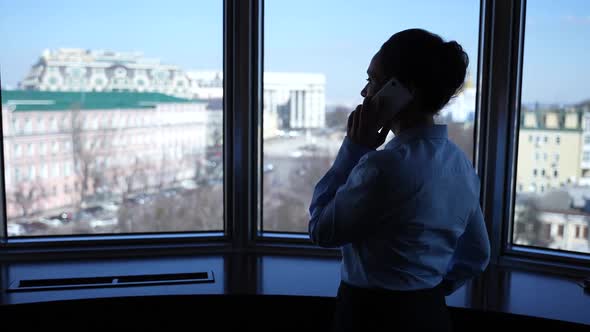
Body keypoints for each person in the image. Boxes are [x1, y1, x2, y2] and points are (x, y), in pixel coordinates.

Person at [308, 29, 491, 332]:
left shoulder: (381, 167)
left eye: (373, 80)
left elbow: (321, 231)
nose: (366, 93)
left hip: (370, 316)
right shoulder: (460, 164)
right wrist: (425, 290)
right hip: (431, 314)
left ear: (406, 90)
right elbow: (476, 255)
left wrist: (353, 149)